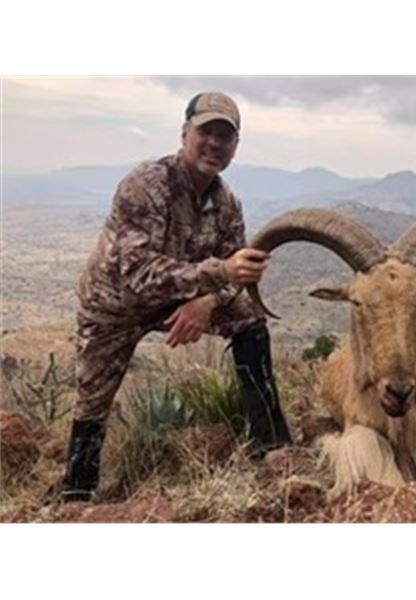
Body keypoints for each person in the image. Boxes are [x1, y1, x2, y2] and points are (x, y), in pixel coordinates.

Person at [58, 91, 292, 502]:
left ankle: (271, 445)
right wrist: (219, 274)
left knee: (249, 319)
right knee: (93, 400)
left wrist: (208, 302)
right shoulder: (146, 186)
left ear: (236, 146)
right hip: (114, 306)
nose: (214, 143)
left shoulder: (227, 203)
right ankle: (78, 494)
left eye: (225, 136)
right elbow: (138, 274)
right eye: (205, 132)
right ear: (185, 133)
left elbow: (237, 276)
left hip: (180, 296)